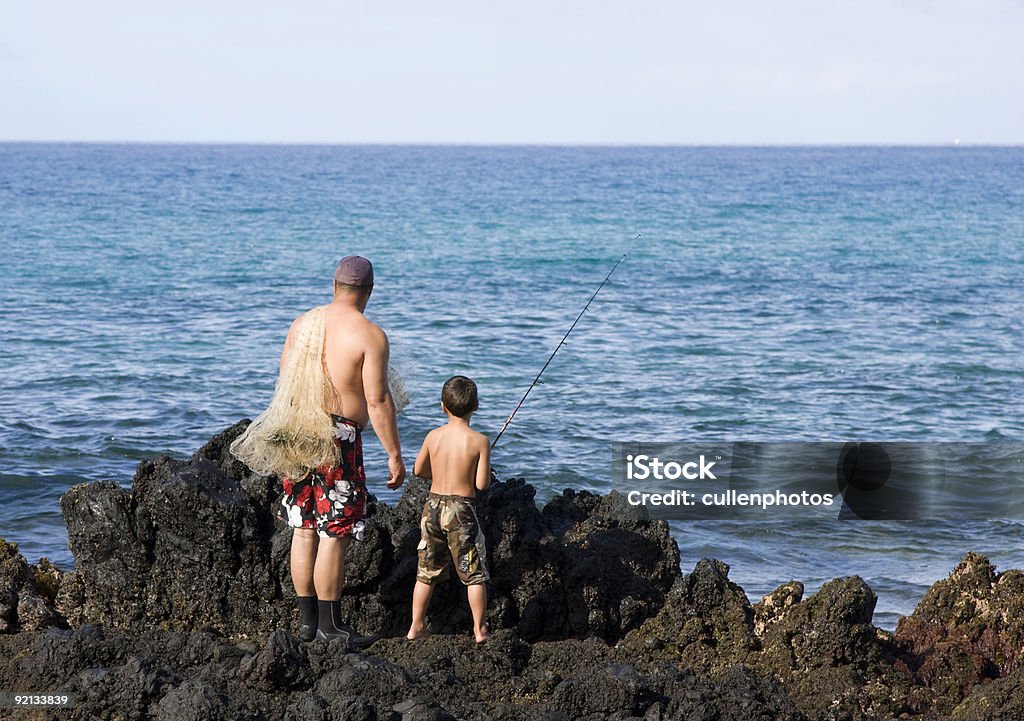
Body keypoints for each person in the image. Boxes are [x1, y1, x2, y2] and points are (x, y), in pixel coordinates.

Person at [230, 255, 405, 647]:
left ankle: (308, 624)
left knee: (303, 528)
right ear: (370, 291)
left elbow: (284, 374)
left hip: (298, 432)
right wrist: (394, 453)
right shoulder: (369, 335)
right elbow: (377, 401)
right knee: (334, 532)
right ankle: (331, 627)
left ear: (334, 286)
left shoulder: (303, 324)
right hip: (339, 440)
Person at [407, 375, 492, 643]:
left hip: (432, 507)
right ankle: (479, 630)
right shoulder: (479, 440)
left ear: (442, 406)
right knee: (473, 573)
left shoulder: (433, 436)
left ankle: (415, 626)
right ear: (475, 406)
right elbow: (482, 484)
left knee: (426, 571)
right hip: (461, 511)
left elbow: (419, 470)